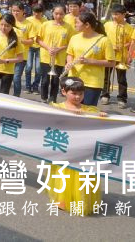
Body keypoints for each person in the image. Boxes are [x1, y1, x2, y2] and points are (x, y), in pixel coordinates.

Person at [47, 77, 107, 214]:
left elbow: (100, 125)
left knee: (82, 176)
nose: (78, 97)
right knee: (64, 175)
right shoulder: (57, 108)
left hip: (84, 152)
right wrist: (69, 114)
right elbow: (51, 123)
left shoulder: (90, 109)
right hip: (65, 150)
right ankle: (62, 199)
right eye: (74, 93)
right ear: (64, 91)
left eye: (81, 93)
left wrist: (101, 117)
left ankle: (81, 200)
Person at [64, 12, 115, 106]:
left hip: (93, 82)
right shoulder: (74, 38)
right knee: (72, 109)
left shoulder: (104, 40)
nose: (75, 25)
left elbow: (111, 63)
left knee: (88, 111)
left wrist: (89, 61)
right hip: (74, 80)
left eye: (77, 22)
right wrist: (69, 63)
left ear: (87, 24)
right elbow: (70, 54)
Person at [36, 4, 74, 104]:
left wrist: (59, 49)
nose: (58, 16)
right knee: (45, 80)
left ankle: (53, 98)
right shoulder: (45, 24)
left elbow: (71, 43)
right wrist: (48, 48)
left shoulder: (68, 27)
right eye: (56, 13)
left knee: (55, 80)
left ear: (65, 14)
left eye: (61, 14)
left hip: (59, 57)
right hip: (45, 56)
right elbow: (38, 39)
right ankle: (43, 98)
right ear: (52, 13)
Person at [0, 14, 24, 95]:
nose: (3, 27)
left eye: (7, 26)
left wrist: (4, 61)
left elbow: (20, 58)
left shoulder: (15, 39)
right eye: (1, 24)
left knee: (3, 95)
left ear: (12, 26)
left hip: (7, 72)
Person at [101, 4, 133, 108]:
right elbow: (102, 38)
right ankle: (105, 95)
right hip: (108, 55)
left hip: (121, 56)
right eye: (113, 14)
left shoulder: (129, 27)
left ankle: (122, 98)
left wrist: (123, 45)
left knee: (121, 79)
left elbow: (132, 42)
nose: (114, 16)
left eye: (117, 14)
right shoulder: (107, 25)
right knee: (105, 77)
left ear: (124, 15)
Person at [10, 3, 33, 97]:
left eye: (17, 11)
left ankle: (16, 96)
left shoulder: (29, 24)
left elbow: (31, 41)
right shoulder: (10, 21)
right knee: (9, 75)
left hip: (22, 55)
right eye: (13, 11)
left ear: (23, 11)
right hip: (9, 54)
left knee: (16, 76)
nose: (15, 13)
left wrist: (20, 41)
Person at [25, 4, 46, 94]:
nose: (36, 14)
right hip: (29, 46)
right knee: (28, 67)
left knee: (38, 69)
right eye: (34, 12)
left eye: (38, 12)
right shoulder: (28, 20)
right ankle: (28, 86)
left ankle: (36, 86)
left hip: (40, 47)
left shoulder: (45, 21)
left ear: (42, 12)